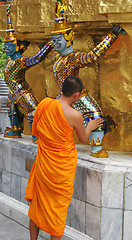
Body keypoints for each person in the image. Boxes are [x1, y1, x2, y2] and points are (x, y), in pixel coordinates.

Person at [25, 76, 104, 240]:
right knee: (58, 213)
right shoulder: (75, 115)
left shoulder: (45, 104)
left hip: (44, 165)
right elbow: (83, 139)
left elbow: (37, 131)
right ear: (76, 95)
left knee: (36, 208)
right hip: (61, 170)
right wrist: (89, 126)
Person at [50, 0, 123, 158]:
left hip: (74, 97)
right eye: (53, 41)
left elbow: (92, 56)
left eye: (58, 40)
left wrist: (112, 36)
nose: (54, 44)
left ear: (69, 38)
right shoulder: (56, 57)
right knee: (95, 116)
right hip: (72, 98)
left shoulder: (73, 58)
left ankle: (96, 148)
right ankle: (96, 149)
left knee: (95, 116)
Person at [3, 5, 52, 141]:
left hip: (21, 91)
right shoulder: (10, 60)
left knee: (33, 111)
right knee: (11, 110)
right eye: (5, 46)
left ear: (16, 46)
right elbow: (21, 48)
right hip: (12, 92)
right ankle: (15, 129)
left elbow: (37, 58)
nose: (6, 48)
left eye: (9, 46)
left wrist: (49, 45)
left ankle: (37, 134)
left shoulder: (20, 61)